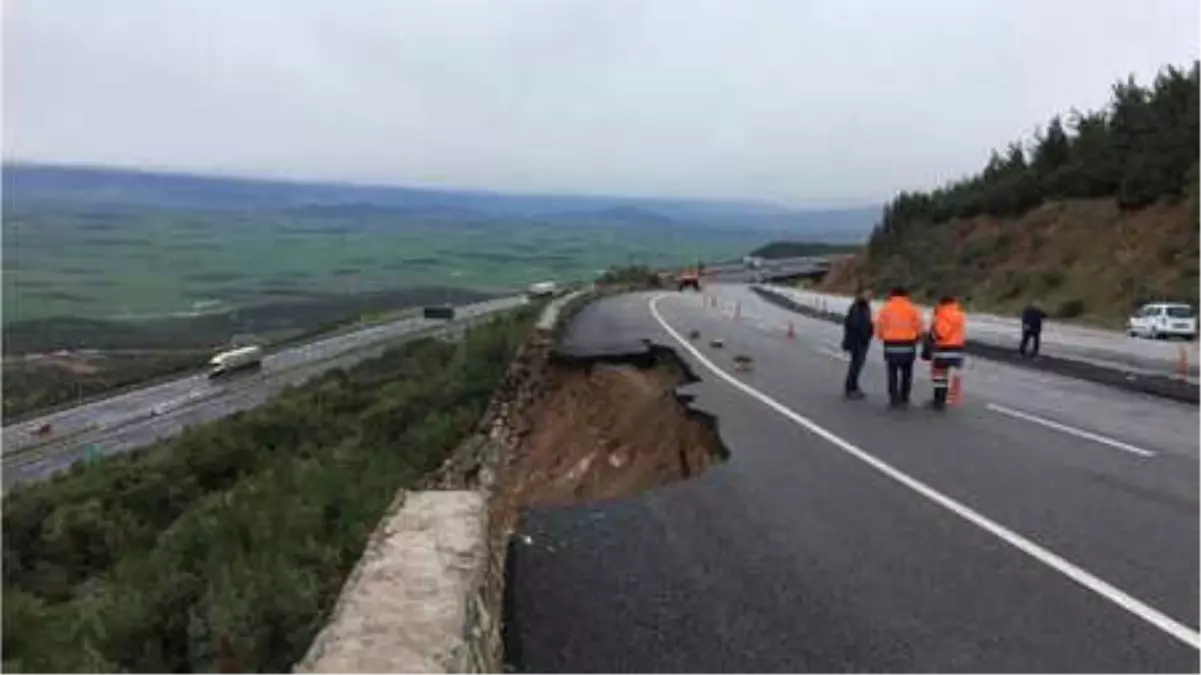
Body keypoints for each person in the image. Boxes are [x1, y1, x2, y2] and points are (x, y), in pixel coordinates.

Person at [875, 286, 923, 407]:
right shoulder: (913, 309)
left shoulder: (885, 309)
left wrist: (883, 337)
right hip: (908, 345)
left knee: (892, 372)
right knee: (907, 372)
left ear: (892, 295)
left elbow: (879, 326)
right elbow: (919, 327)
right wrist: (916, 337)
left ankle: (893, 397)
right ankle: (904, 396)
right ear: (906, 295)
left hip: (891, 345)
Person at [929, 296, 966, 409]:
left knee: (940, 376)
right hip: (958, 350)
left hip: (943, 350)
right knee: (954, 375)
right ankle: (952, 398)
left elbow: (941, 333)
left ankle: (939, 399)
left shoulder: (942, 315)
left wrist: (933, 330)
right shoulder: (960, 315)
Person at [841, 289, 874, 399]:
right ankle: (850, 388)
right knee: (855, 365)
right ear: (862, 295)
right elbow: (856, 325)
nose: (870, 297)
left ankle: (854, 386)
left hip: (861, 341)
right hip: (857, 341)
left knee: (857, 365)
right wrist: (866, 334)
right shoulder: (859, 307)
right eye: (868, 295)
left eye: (871, 295)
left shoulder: (864, 307)